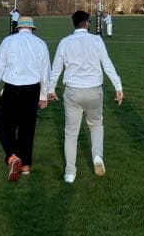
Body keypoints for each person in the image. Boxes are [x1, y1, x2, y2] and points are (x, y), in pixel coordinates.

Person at [48, 10, 123, 184]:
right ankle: (97, 156)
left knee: (71, 132)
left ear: (73, 23)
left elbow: (56, 68)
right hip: (94, 90)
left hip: (73, 91)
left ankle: (70, 172)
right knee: (96, 125)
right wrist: (118, 86)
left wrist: (51, 89)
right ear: (87, 23)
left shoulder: (65, 42)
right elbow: (107, 65)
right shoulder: (96, 40)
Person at [0, 16, 50, 182]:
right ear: (32, 29)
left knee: (4, 126)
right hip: (32, 89)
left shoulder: (8, 41)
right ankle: (25, 165)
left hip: (12, 88)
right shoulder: (40, 43)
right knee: (27, 128)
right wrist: (44, 95)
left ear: (17, 27)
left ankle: (13, 157)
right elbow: (45, 71)